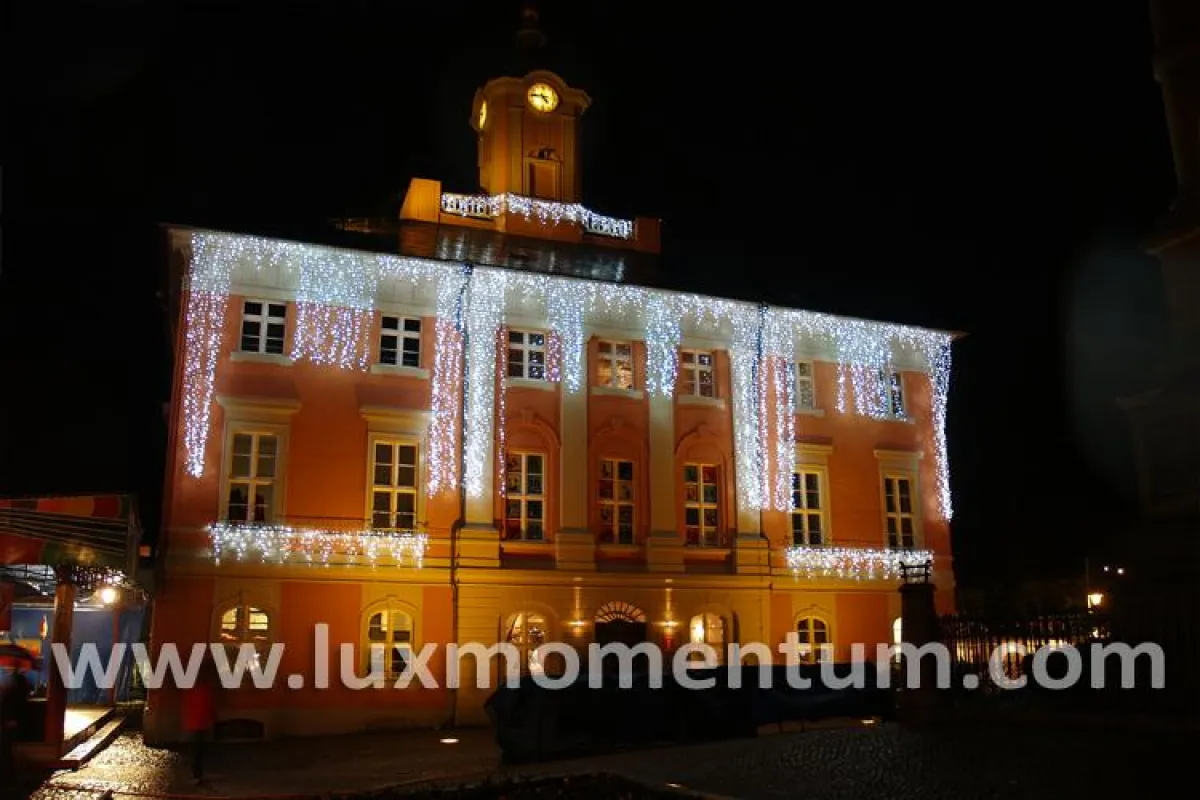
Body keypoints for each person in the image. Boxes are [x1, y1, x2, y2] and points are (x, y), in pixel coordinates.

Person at [180, 655, 219, 785]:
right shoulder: (201, 687)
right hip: (199, 722)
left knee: (199, 750)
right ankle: (197, 774)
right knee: (198, 750)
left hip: (197, 721)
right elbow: (204, 704)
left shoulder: (196, 685)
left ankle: (198, 773)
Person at [0, 668, 32, 782]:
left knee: (5, 748)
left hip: (9, 720)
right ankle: (8, 772)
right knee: (6, 748)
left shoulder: (14, 684)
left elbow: (10, 703)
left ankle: (7, 773)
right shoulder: (20, 683)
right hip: (11, 720)